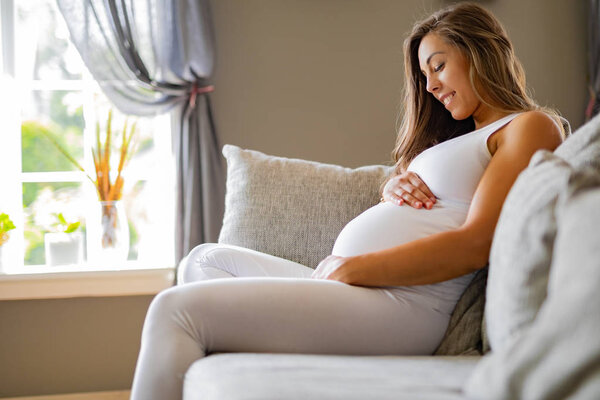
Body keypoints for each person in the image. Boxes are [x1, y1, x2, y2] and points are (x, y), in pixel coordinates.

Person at [130, 3, 564, 399]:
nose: (430, 85)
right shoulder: (465, 137)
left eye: (438, 66)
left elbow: (474, 243)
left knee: (175, 309)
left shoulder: (529, 126)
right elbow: (439, 201)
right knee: (204, 261)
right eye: (424, 75)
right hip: (362, 292)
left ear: (480, 53)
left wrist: (354, 267)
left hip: (402, 307)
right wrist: (392, 187)